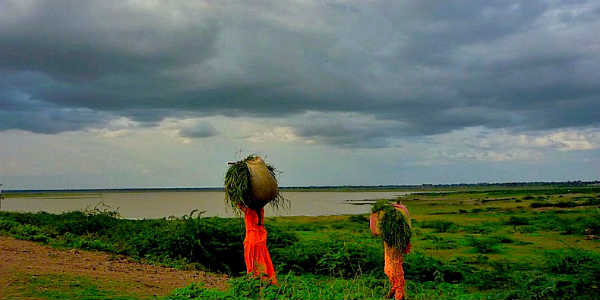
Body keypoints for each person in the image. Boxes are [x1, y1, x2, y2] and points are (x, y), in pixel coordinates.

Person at [371, 201, 411, 300]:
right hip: (395, 266)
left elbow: (375, 231)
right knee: (398, 281)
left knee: (396, 282)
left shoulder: (388, 238)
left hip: (391, 265)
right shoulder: (400, 239)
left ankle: (394, 296)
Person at [239, 204, 277, 284]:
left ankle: (256, 281)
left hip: (252, 240)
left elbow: (239, 204)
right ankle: (265, 280)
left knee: (252, 262)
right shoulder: (261, 210)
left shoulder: (249, 211)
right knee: (262, 260)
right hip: (260, 239)